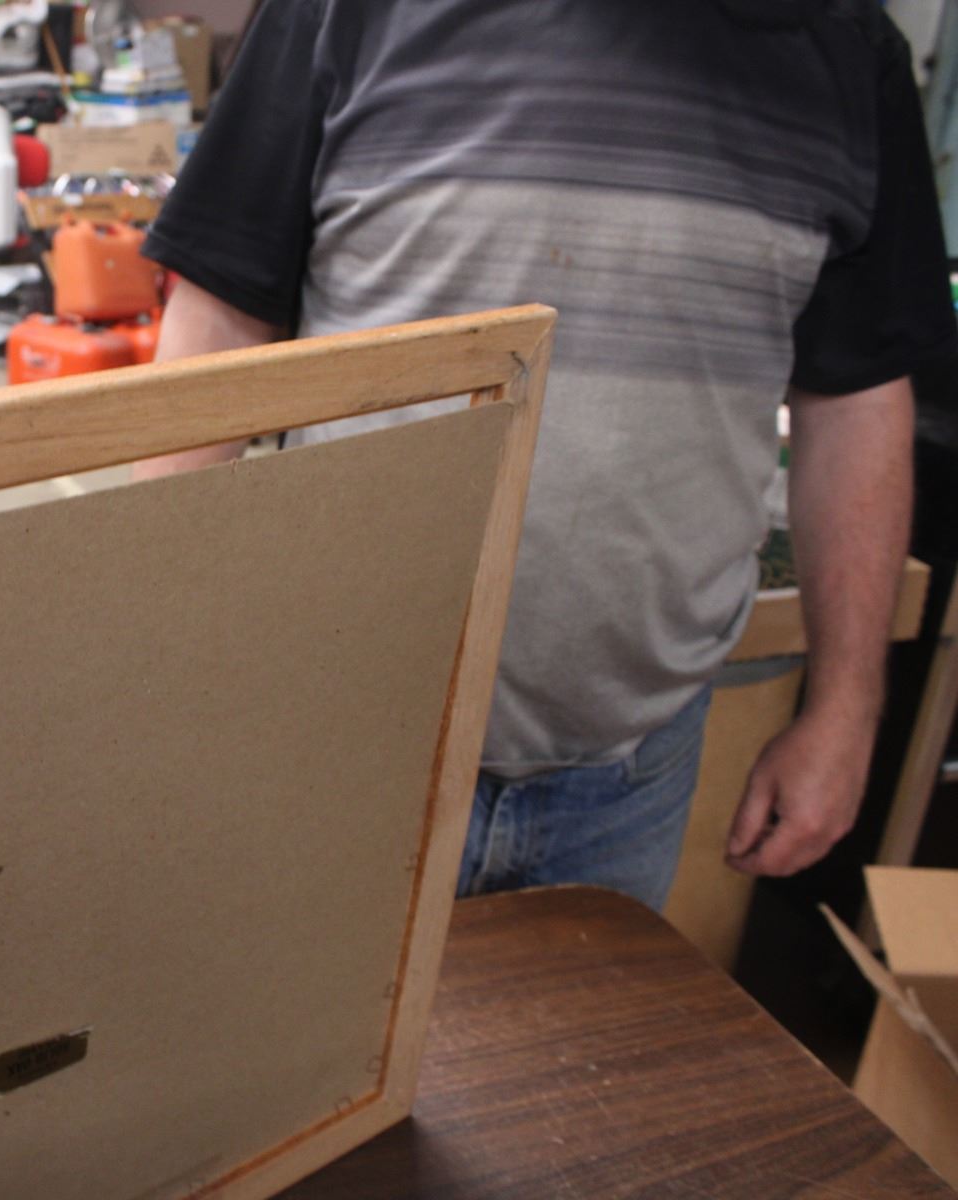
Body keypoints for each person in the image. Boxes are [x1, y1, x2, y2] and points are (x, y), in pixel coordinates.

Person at [136, 0, 957, 908]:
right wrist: (149, 671)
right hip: (332, 746)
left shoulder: (846, 47)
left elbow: (857, 397)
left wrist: (846, 709)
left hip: (628, 777)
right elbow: (219, 324)